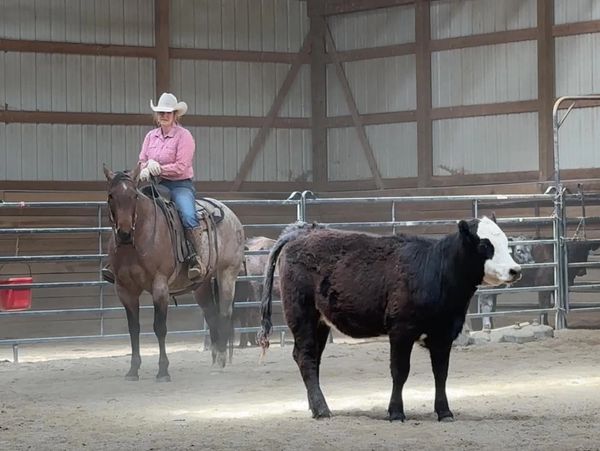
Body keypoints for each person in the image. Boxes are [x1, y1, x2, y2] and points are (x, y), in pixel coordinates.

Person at [103, 92, 207, 283]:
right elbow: (142, 160)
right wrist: (142, 169)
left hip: (179, 185)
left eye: (168, 112)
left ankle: (195, 258)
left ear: (176, 115)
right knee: (128, 206)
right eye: (160, 112)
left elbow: (182, 166)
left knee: (188, 214)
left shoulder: (184, 137)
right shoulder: (151, 136)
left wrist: (159, 169)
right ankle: (116, 259)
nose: (164, 116)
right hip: (154, 184)